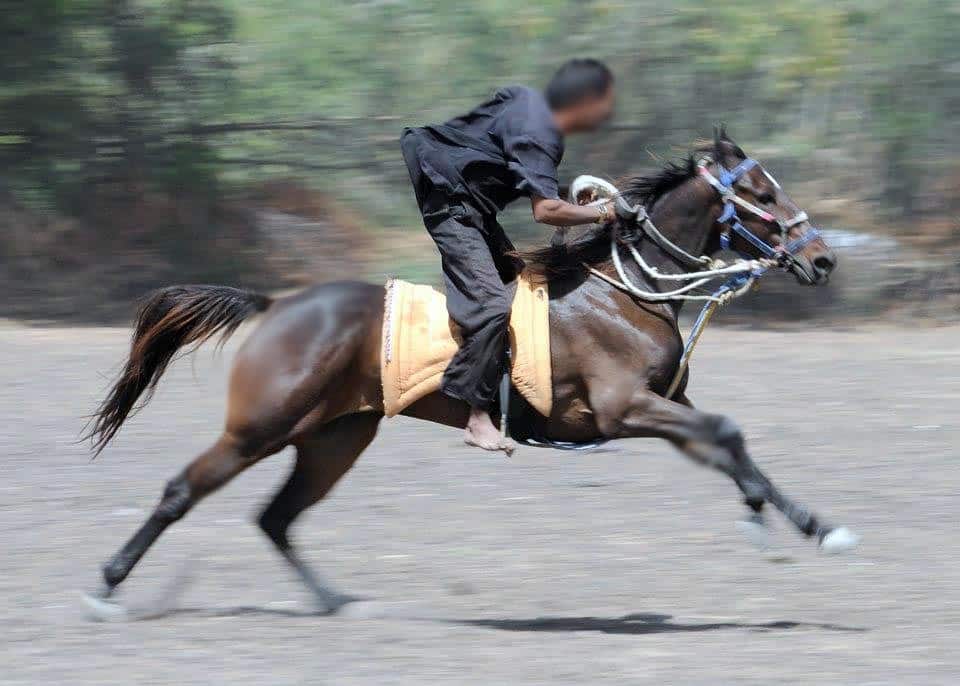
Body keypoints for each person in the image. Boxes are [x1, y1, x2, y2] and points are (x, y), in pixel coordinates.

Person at [401, 58, 617, 454]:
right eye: (603, 104)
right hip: (453, 207)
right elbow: (545, 211)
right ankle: (476, 417)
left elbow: (521, 175)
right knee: (493, 307)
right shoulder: (542, 130)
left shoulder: (529, 106)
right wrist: (604, 212)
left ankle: (521, 400)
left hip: (468, 205)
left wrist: (567, 195)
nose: (605, 114)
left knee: (520, 281)